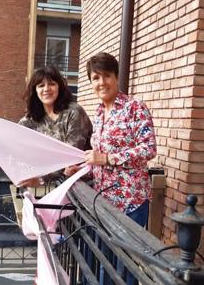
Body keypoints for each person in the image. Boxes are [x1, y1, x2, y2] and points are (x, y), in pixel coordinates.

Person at [66, 52, 156, 285]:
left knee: (123, 268)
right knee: (102, 264)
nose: (101, 82)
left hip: (131, 202)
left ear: (116, 77)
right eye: (96, 78)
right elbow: (97, 158)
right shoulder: (98, 112)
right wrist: (81, 168)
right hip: (103, 202)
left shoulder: (135, 107)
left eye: (106, 76)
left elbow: (148, 150)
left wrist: (107, 158)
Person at [16, 65, 93, 187]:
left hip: (80, 187)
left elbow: (70, 157)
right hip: (50, 186)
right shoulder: (30, 120)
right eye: (41, 85)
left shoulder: (74, 112)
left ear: (59, 87)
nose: (46, 89)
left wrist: (40, 180)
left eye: (51, 84)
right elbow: (12, 140)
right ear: (35, 91)